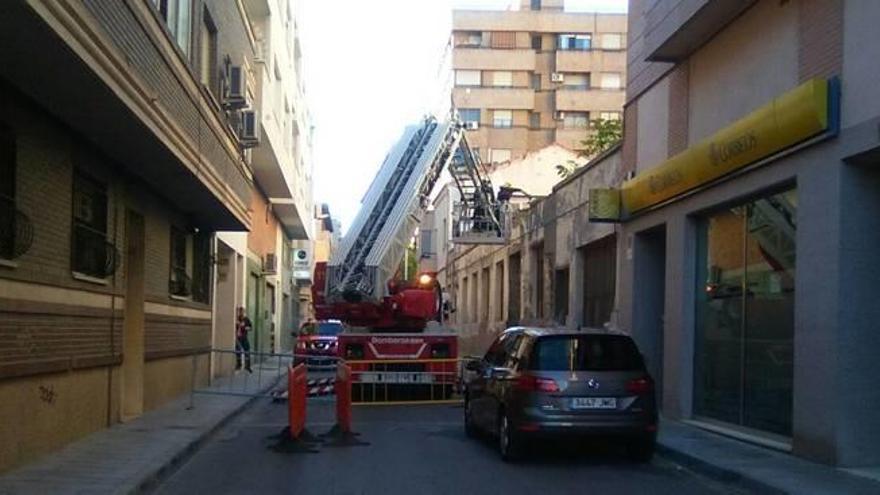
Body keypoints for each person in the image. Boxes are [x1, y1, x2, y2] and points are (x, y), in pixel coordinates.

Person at [235, 307, 253, 372]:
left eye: (242, 312)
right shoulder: (237, 319)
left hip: (244, 337)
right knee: (238, 351)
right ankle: (239, 365)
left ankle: (247, 366)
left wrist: (245, 327)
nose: (241, 313)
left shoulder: (246, 319)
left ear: (244, 312)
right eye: (240, 312)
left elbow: (251, 328)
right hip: (238, 338)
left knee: (247, 351)